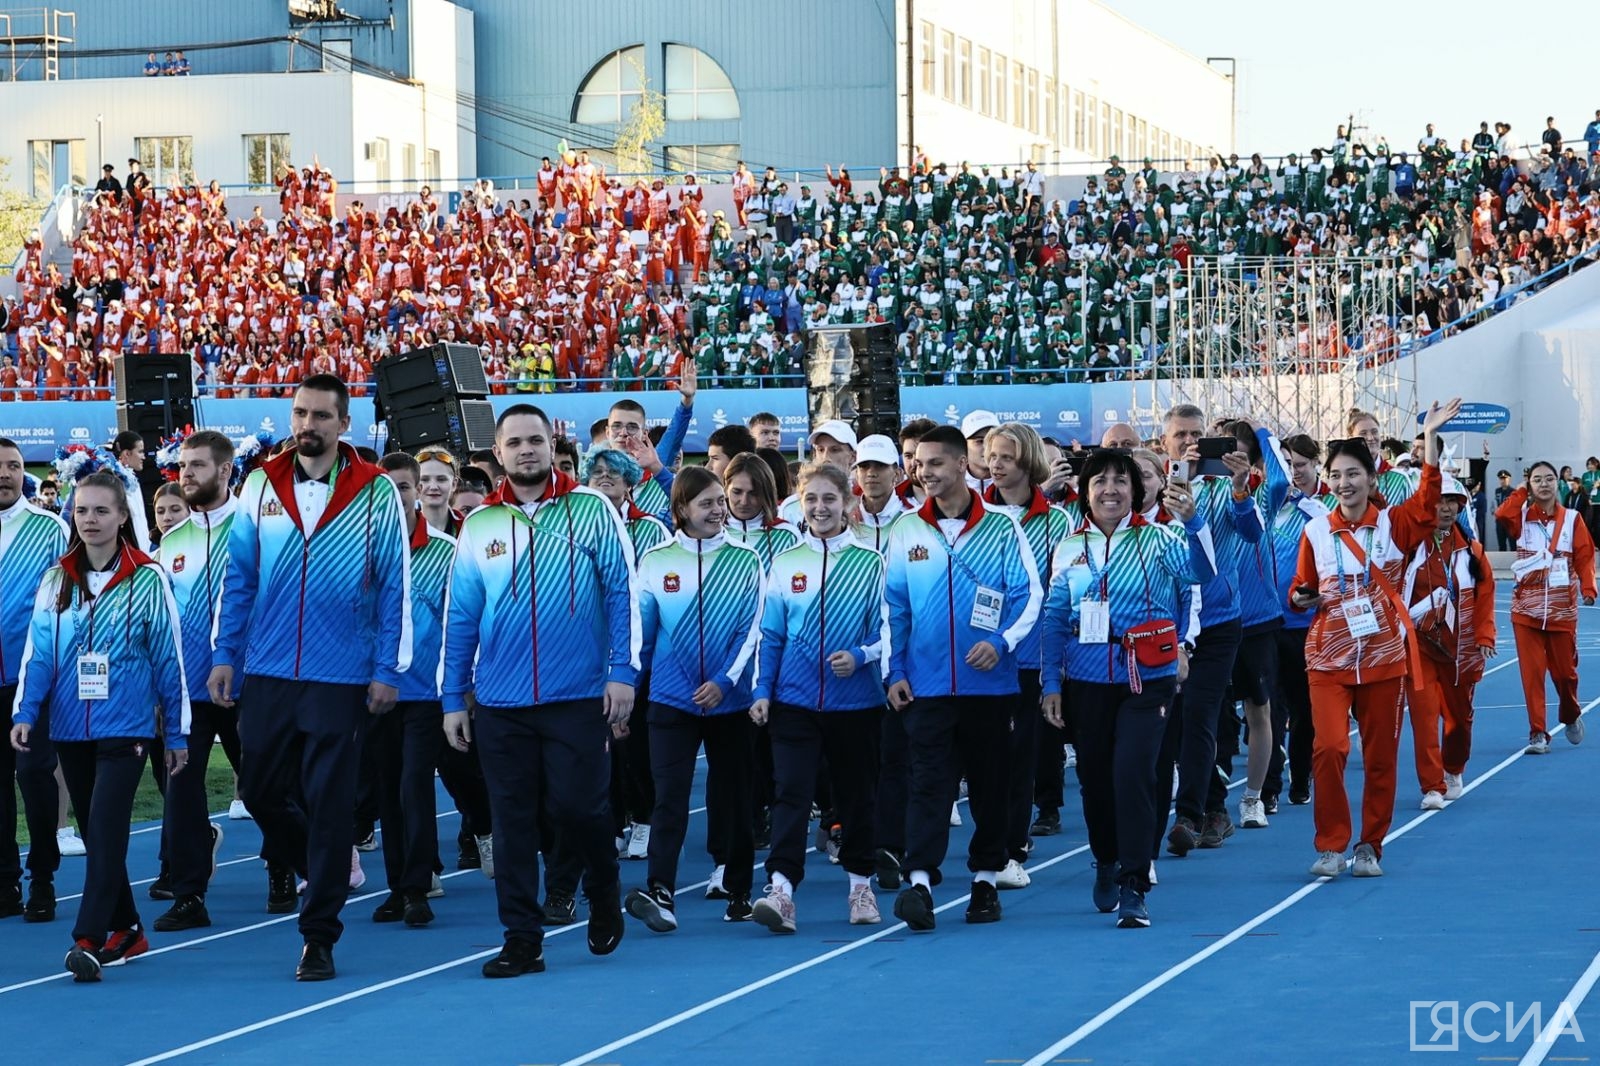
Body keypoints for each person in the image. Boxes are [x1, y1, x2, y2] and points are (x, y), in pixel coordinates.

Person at [209, 375, 414, 981]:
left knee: (328, 804)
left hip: (340, 676)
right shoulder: (260, 482)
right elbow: (239, 576)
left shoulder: (375, 492)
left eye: (322, 415)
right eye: (301, 413)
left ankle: (318, 934)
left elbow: (393, 587)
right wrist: (227, 653)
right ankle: (329, 865)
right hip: (268, 670)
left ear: (342, 424)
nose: (308, 424)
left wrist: (386, 670)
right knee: (262, 793)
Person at [442, 403, 637, 978]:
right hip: (501, 704)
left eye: (535, 440)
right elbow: (462, 618)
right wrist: (454, 696)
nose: (526, 450)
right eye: (514, 443)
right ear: (497, 454)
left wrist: (621, 673)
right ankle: (522, 939)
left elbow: (622, 594)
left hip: (577, 697)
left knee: (580, 811)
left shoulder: (592, 510)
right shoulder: (478, 526)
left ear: (552, 447)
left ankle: (603, 892)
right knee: (512, 826)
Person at [10, 470, 189, 982]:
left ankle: (87, 938)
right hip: (69, 728)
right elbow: (39, 654)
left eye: (101, 511)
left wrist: (175, 733)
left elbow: (167, 661)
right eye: (82, 510)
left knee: (107, 830)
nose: (90, 520)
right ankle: (128, 928)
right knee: (94, 831)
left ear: (123, 516)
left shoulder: (148, 577)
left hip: (126, 729)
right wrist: (26, 712)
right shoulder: (56, 579)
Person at [1040, 450, 1212, 927]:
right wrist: (1050, 682)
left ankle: (1136, 882)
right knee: (1095, 783)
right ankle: (1105, 859)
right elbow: (1055, 618)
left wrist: (1194, 523)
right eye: (1100, 481)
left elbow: (1202, 575)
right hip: (1087, 681)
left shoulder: (1161, 538)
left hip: (1147, 679)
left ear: (1136, 490)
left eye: (1120, 480)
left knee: (1133, 773)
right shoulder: (1068, 548)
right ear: (1085, 490)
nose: (1110, 489)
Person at [884, 425, 1041, 932]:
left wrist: (1000, 644)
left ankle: (986, 882)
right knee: (928, 785)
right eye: (919, 465)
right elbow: (893, 609)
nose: (924, 473)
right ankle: (922, 883)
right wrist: (895, 670)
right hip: (927, 688)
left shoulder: (1001, 526)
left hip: (990, 690)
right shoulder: (907, 530)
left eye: (934, 464)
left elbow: (1028, 595)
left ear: (959, 465)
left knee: (991, 789)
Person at [1290, 399, 1455, 879]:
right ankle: (1330, 844)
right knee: (1330, 749)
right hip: (1327, 657)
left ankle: (1370, 846)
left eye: (1353, 474)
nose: (1345, 483)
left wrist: (1428, 441)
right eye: (1336, 475)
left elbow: (1428, 502)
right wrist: (1301, 598)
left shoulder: (1394, 525)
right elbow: (1300, 587)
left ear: (1371, 478)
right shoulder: (1317, 531)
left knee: (1380, 757)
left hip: (1384, 657)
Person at [624, 467, 765, 932]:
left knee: (735, 797)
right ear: (681, 509)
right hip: (670, 701)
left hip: (730, 703)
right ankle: (660, 892)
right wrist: (628, 691)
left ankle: (740, 891)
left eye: (720, 502)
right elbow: (642, 637)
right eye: (706, 503)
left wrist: (725, 681)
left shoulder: (745, 560)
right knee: (670, 798)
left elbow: (753, 630)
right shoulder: (657, 560)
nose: (718, 510)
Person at [749, 463, 887, 933]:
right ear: (799, 504)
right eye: (811, 499)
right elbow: (770, 634)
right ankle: (782, 890)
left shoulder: (871, 561)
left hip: (857, 705)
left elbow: (889, 630)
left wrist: (862, 655)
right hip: (795, 702)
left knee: (856, 798)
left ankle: (860, 886)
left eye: (829, 499)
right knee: (790, 793)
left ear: (848, 503)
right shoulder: (786, 563)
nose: (820, 508)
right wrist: (763, 691)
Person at [1155, 404, 1260, 856]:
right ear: (1165, 442)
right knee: (1180, 723)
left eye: (1198, 433)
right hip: (1169, 624)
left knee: (1199, 713)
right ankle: (1215, 808)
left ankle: (1189, 816)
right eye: (1180, 434)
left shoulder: (1222, 487)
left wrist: (1240, 489)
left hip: (1218, 622)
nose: (1190, 442)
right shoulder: (1154, 487)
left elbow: (1253, 534)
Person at [150, 431, 240, 933]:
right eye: (183, 466)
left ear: (225, 471)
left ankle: (280, 869)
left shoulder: (251, 528)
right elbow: (163, 621)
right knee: (181, 788)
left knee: (269, 785)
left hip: (246, 687)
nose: (185, 475)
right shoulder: (172, 540)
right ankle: (189, 894)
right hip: (188, 691)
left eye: (197, 466)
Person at [982, 423, 1073, 889]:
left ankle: (1011, 850)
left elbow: (1060, 594)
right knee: (986, 758)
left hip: (1032, 660)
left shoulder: (1056, 521)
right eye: (991, 455)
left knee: (1020, 757)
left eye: (1006, 457)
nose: (996, 464)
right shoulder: (978, 515)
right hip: (981, 659)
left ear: (1028, 462)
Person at [368, 453, 456, 927]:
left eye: (406, 487)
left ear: (419, 491)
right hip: (375, 697)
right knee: (386, 792)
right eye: (390, 487)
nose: (399, 496)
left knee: (413, 787)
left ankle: (418, 886)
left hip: (425, 695)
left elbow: (458, 626)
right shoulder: (363, 550)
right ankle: (398, 887)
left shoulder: (445, 552)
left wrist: (459, 690)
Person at [582, 447, 670, 868]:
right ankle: (613, 822)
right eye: (596, 471)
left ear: (631, 480)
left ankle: (646, 820)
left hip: (638, 654)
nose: (604, 478)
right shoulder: (576, 526)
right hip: (588, 653)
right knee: (599, 748)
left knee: (634, 742)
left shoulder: (650, 529)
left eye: (613, 472)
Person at [0, 436, 70, 922]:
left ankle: (42, 875)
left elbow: (71, 599)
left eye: (12, 465)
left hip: (33, 679)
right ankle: (5, 883)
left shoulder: (49, 529)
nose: (4, 473)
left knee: (33, 776)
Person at [1402, 474, 1496, 806]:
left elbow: (1485, 596)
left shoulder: (1473, 552)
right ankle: (1432, 785)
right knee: (1424, 716)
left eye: (1451, 500)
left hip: (1460, 651)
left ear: (1460, 506)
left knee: (1459, 720)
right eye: (1439, 500)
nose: (1444, 507)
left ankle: (1453, 767)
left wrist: (1484, 635)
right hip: (1420, 645)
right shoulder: (1410, 548)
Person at [1494, 460, 1598, 754]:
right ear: (1529, 485)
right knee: (1532, 675)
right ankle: (1537, 732)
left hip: (1562, 611)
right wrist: (1519, 493)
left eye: (1549, 479)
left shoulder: (1573, 519)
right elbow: (1502, 514)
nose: (1543, 484)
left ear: (1558, 483)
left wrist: (1589, 588)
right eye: (1537, 479)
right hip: (1525, 612)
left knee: (1566, 675)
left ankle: (1570, 714)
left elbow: (1585, 555)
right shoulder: (1521, 516)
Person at [1267, 435, 1329, 806]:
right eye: (1286, 465)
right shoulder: (1264, 507)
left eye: (1300, 465)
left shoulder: (1320, 512)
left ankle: (1300, 775)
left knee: (1304, 710)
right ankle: (1269, 786)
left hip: (1305, 626)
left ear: (1314, 466)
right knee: (1270, 710)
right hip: (1264, 625)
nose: (1293, 472)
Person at [723, 453, 801, 571]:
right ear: (725, 488)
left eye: (753, 493)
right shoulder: (711, 533)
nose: (744, 501)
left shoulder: (788, 536)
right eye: (737, 492)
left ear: (767, 492)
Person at [850, 434, 913, 555]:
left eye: (880, 465)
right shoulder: (844, 520)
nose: (871, 473)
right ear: (856, 474)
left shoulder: (913, 518)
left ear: (897, 473)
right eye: (864, 466)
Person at [110, 431, 152, 551]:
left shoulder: (133, 479)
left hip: (143, 551)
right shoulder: (114, 483)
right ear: (127, 453)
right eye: (140, 452)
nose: (143, 456)